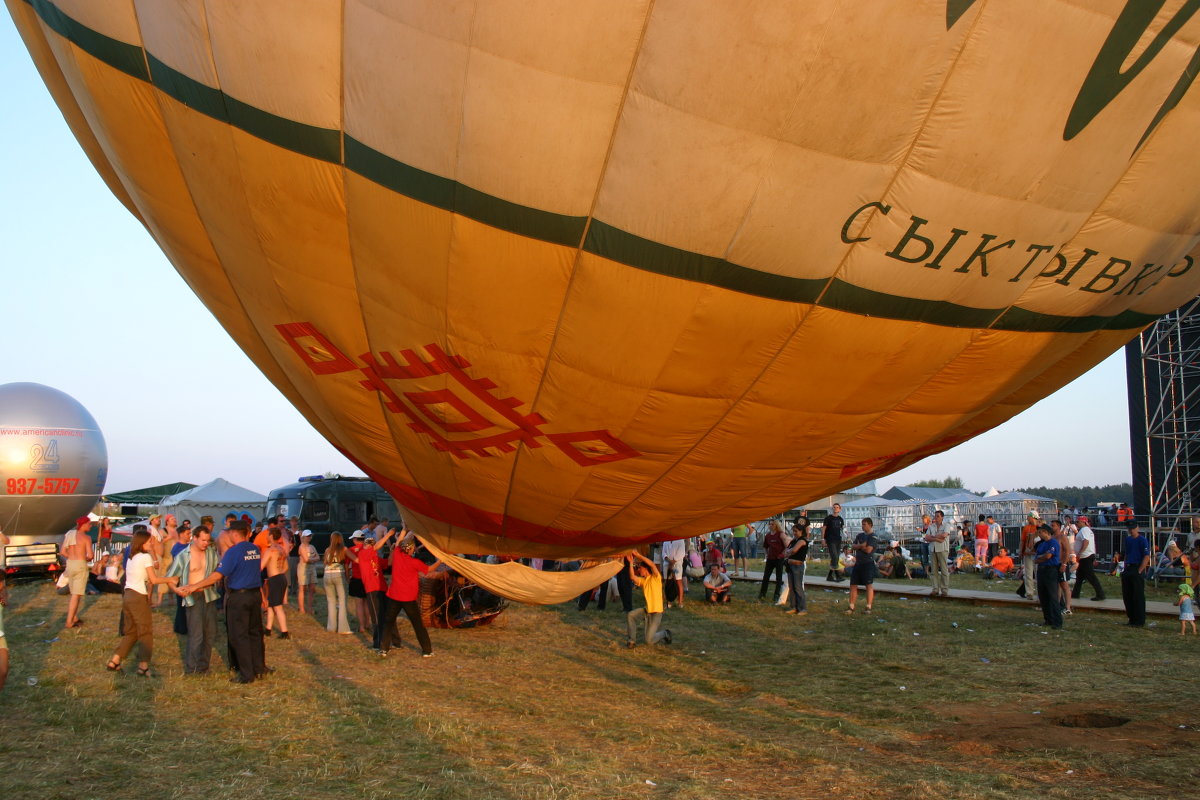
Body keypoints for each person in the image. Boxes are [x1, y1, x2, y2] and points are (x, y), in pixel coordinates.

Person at [183, 519, 270, 683]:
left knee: (239, 635)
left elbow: (218, 575)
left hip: (240, 597)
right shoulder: (255, 549)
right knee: (255, 633)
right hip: (254, 595)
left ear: (235, 533)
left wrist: (195, 586)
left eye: (229, 532)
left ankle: (246, 674)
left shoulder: (233, 552)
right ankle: (259, 668)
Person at [106, 530, 179, 676]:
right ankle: (143, 665)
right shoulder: (145, 557)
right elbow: (154, 580)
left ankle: (115, 660)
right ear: (142, 543)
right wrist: (171, 579)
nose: (151, 544)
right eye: (149, 542)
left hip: (128, 596)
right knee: (145, 631)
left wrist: (151, 552)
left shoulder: (133, 557)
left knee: (131, 632)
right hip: (138, 596)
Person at [167, 525, 219, 674]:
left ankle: (204, 667)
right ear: (194, 538)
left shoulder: (211, 553)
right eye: (202, 540)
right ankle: (192, 669)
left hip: (209, 594)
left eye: (207, 541)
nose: (205, 543)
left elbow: (217, 571)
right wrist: (177, 590)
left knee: (210, 633)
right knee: (196, 635)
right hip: (192, 596)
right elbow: (171, 578)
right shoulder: (183, 556)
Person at [378, 534, 436, 658]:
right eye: (413, 547)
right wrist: (441, 560)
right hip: (408, 599)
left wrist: (405, 529)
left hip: (394, 596)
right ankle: (427, 650)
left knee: (388, 622)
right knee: (418, 625)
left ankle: (383, 649)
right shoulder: (414, 562)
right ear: (410, 549)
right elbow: (429, 570)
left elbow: (399, 542)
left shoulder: (398, 555)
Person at [627, 550, 671, 647]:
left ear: (645, 569)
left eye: (640, 568)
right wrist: (630, 562)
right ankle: (631, 641)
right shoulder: (644, 581)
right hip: (647, 610)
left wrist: (639, 555)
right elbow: (632, 577)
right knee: (631, 615)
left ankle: (665, 633)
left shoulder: (655, 577)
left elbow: (652, 565)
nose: (639, 570)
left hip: (656, 613)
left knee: (649, 641)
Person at [62, 516, 94, 629]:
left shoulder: (70, 534)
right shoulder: (86, 538)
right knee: (76, 594)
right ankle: (69, 621)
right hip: (80, 564)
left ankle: (74, 617)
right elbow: (90, 555)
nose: (90, 526)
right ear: (84, 524)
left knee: (73, 592)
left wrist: (71, 557)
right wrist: (86, 559)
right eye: (89, 524)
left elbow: (63, 551)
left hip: (70, 563)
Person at [1120, 521, 1151, 627]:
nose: (1131, 531)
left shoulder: (1142, 540)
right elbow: (1126, 554)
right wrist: (1124, 567)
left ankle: (1139, 620)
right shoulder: (1128, 539)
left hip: (1137, 567)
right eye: (1130, 529)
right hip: (1128, 567)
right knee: (1127, 595)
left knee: (1137, 595)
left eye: (1133, 528)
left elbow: (1146, 556)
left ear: (1137, 528)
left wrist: (1140, 570)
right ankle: (1131, 618)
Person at [262, 528, 290, 640]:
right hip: (281, 578)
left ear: (271, 536)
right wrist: (279, 573)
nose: (266, 535)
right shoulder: (282, 549)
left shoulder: (270, 551)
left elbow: (261, 566)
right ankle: (268, 629)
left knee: (277, 607)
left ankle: (284, 632)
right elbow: (286, 567)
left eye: (268, 534)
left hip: (275, 579)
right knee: (271, 605)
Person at [1033, 524, 1063, 630]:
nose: (1039, 534)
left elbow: (1048, 556)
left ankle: (1057, 621)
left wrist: (1041, 558)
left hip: (1051, 570)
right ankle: (1048, 619)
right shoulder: (1041, 544)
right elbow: (1036, 557)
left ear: (1046, 532)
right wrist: (1041, 558)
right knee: (1043, 596)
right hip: (1041, 570)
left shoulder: (1053, 542)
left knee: (1052, 596)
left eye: (1040, 532)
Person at [846, 518, 877, 614]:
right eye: (862, 524)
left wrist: (858, 547)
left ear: (870, 525)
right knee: (853, 584)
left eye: (864, 524)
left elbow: (868, 550)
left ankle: (868, 607)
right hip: (858, 563)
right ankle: (851, 606)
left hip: (868, 563)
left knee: (868, 585)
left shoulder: (873, 537)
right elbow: (851, 547)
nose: (862, 526)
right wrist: (861, 546)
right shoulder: (860, 535)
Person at [1071, 515, 1106, 601]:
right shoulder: (1087, 530)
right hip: (1087, 556)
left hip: (1085, 556)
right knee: (1079, 576)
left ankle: (1100, 594)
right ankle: (1075, 594)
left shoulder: (1084, 530)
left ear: (1083, 522)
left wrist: (1080, 552)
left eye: (1078, 522)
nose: (1077, 524)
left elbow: (1086, 542)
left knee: (1091, 576)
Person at [323, 532, 352, 634]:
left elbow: (325, 564)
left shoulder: (327, 550)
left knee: (331, 601)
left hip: (327, 575)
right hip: (338, 575)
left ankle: (331, 627)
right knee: (342, 601)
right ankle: (343, 628)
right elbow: (355, 559)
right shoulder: (343, 549)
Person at [924, 509, 952, 597]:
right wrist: (936, 538)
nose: (936, 518)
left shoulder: (946, 525)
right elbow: (926, 537)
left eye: (938, 516)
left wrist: (933, 537)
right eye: (935, 516)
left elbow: (944, 535)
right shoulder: (931, 526)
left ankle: (944, 590)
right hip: (933, 549)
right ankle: (935, 589)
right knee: (934, 570)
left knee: (944, 570)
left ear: (942, 517)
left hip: (942, 549)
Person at [783, 521, 808, 615]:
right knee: (792, 587)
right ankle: (794, 606)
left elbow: (794, 550)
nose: (794, 533)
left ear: (801, 531)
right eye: (793, 531)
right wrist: (789, 551)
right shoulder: (794, 541)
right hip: (790, 565)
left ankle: (802, 608)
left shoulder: (802, 540)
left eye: (796, 531)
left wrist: (789, 551)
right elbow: (786, 551)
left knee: (798, 587)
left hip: (797, 566)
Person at [758, 520, 787, 603]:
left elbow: (787, 546)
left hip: (778, 559)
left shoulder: (781, 534)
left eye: (772, 524)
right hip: (770, 559)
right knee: (766, 577)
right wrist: (766, 554)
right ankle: (762, 593)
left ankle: (776, 595)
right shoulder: (767, 536)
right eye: (769, 524)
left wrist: (782, 554)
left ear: (776, 525)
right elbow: (765, 546)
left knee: (779, 577)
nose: (770, 526)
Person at [296, 530, 319, 613]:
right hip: (303, 569)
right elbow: (306, 560)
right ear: (303, 537)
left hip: (312, 569)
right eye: (307, 536)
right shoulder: (301, 547)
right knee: (302, 588)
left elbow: (318, 557)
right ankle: (301, 608)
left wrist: (310, 559)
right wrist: (313, 559)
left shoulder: (312, 546)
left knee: (312, 589)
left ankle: (310, 607)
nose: (309, 537)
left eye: (310, 536)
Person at [661, 537, 688, 607]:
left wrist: (673, 561)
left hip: (677, 564)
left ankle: (680, 601)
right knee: (668, 582)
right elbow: (663, 553)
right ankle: (668, 601)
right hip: (667, 564)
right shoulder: (666, 541)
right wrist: (668, 561)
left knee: (678, 581)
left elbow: (681, 553)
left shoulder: (680, 540)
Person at [1018, 511, 1039, 599]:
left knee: (1038, 573)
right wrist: (1020, 551)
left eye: (1028, 517)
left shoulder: (1039, 527)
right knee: (1028, 573)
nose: (1027, 518)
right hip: (1027, 552)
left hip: (1037, 553)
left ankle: (1040, 592)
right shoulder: (1026, 528)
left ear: (1032, 517)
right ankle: (1029, 592)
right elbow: (1022, 540)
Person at [824, 503, 846, 581]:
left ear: (840, 509)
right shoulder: (828, 518)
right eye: (834, 507)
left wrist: (846, 536)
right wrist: (823, 539)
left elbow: (843, 529)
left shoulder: (840, 519)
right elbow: (824, 528)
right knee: (835, 557)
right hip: (830, 539)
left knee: (835, 558)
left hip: (838, 540)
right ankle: (838, 576)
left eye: (837, 507)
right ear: (832, 509)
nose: (835, 508)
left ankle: (829, 576)